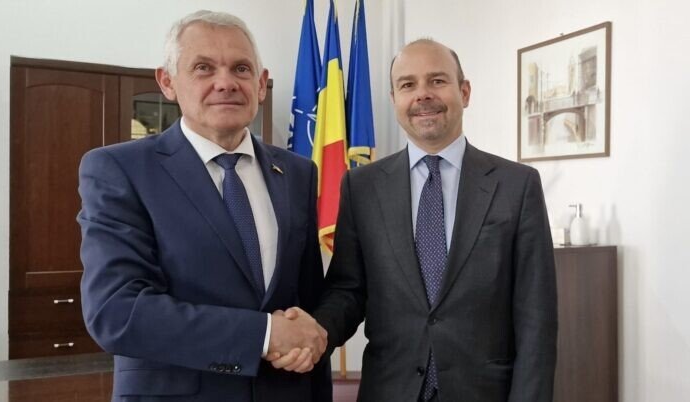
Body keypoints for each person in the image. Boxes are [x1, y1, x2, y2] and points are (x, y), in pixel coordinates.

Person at [270, 39, 558, 401]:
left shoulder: (517, 185)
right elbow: (348, 290)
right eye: (408, 85)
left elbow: (536, 318)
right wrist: (314, 334)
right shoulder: (361, 186)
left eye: (437, 80)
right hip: (389, 390)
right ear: (394, 100)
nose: (423, 94)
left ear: (464, 92)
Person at [77, 10, 330, 402]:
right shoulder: (119, 170)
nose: (225, 82)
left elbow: (306, 303)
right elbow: (116, 311)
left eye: (241, 68)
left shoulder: (297, 173)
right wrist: (263, 334)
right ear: (167, 82)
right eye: (203, 68)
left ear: (260, 84)